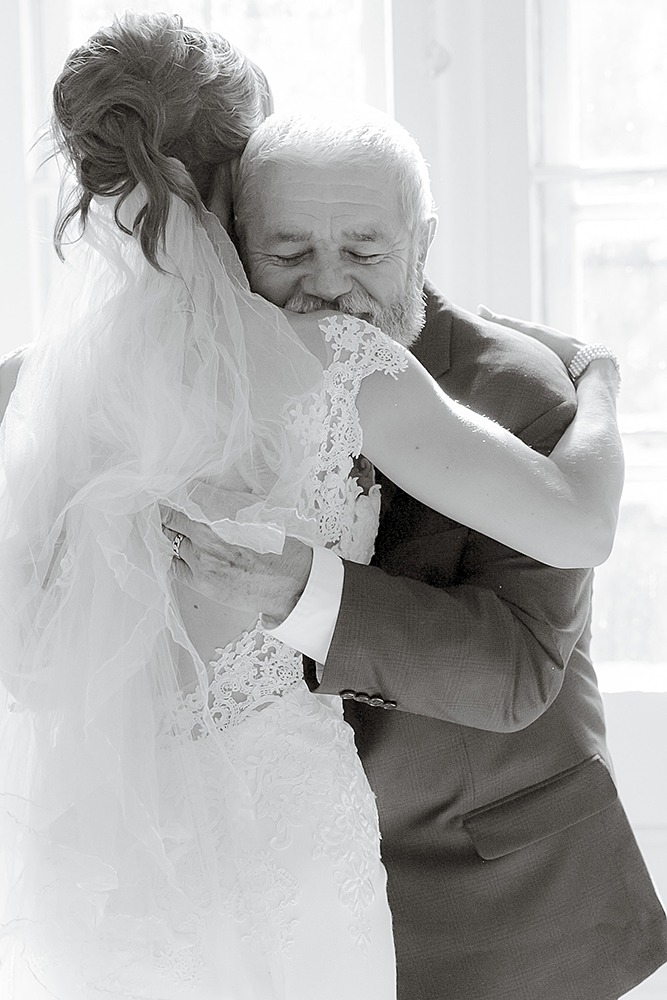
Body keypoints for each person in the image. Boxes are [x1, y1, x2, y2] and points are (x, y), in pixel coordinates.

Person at [0, 13, 638, 1000]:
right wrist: (599, 382)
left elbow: (32, 656)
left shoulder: (35, 392)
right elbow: (580, 520)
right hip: (283, 837)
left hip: (105, 871)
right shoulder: (334, 366)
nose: (325, 282)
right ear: (239, 186)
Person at [161, 109, 667, 1000]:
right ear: (236, 244)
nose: (328, 292)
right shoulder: (199, 380)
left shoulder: (519, 393)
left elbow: (514, 670)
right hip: (274, 885)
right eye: (287, 255)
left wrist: (304, 592)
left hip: (502, 900)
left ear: (420, 242)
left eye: (364, 254)